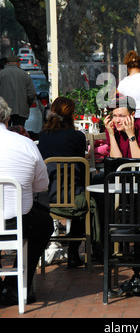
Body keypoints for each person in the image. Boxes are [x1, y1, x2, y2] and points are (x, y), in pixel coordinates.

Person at [0, 97, 53, 305]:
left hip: (17, 220)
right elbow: (42, 186)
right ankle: (15, 285)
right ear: (7, 118)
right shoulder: (25, 143)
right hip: (18, 222)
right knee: (45, 223)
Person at [38, 97, 88, 268]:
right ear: (72, 115)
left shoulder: (43, 136)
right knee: (88, 201)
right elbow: (81, 167)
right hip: (72, 197)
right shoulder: (78, 137)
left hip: (47, 197)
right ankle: (74, 250)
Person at [103, 93, 140, 161]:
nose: (117, 120)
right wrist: (111, 135)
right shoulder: (112, 128)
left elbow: (139, 161)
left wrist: (131, 135)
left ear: (132, 114)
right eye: (115, 116)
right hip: (120, 169)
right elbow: (116, 161)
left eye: (122, 116)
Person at [0, 54, 36, 126]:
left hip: (4, 112)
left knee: (5, 132)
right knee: (19, 131)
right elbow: (32, 93)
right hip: (21, 110)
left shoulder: (1, 73)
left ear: (7, 63)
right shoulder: (25, 74)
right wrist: (27, 104)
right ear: (18, 63)